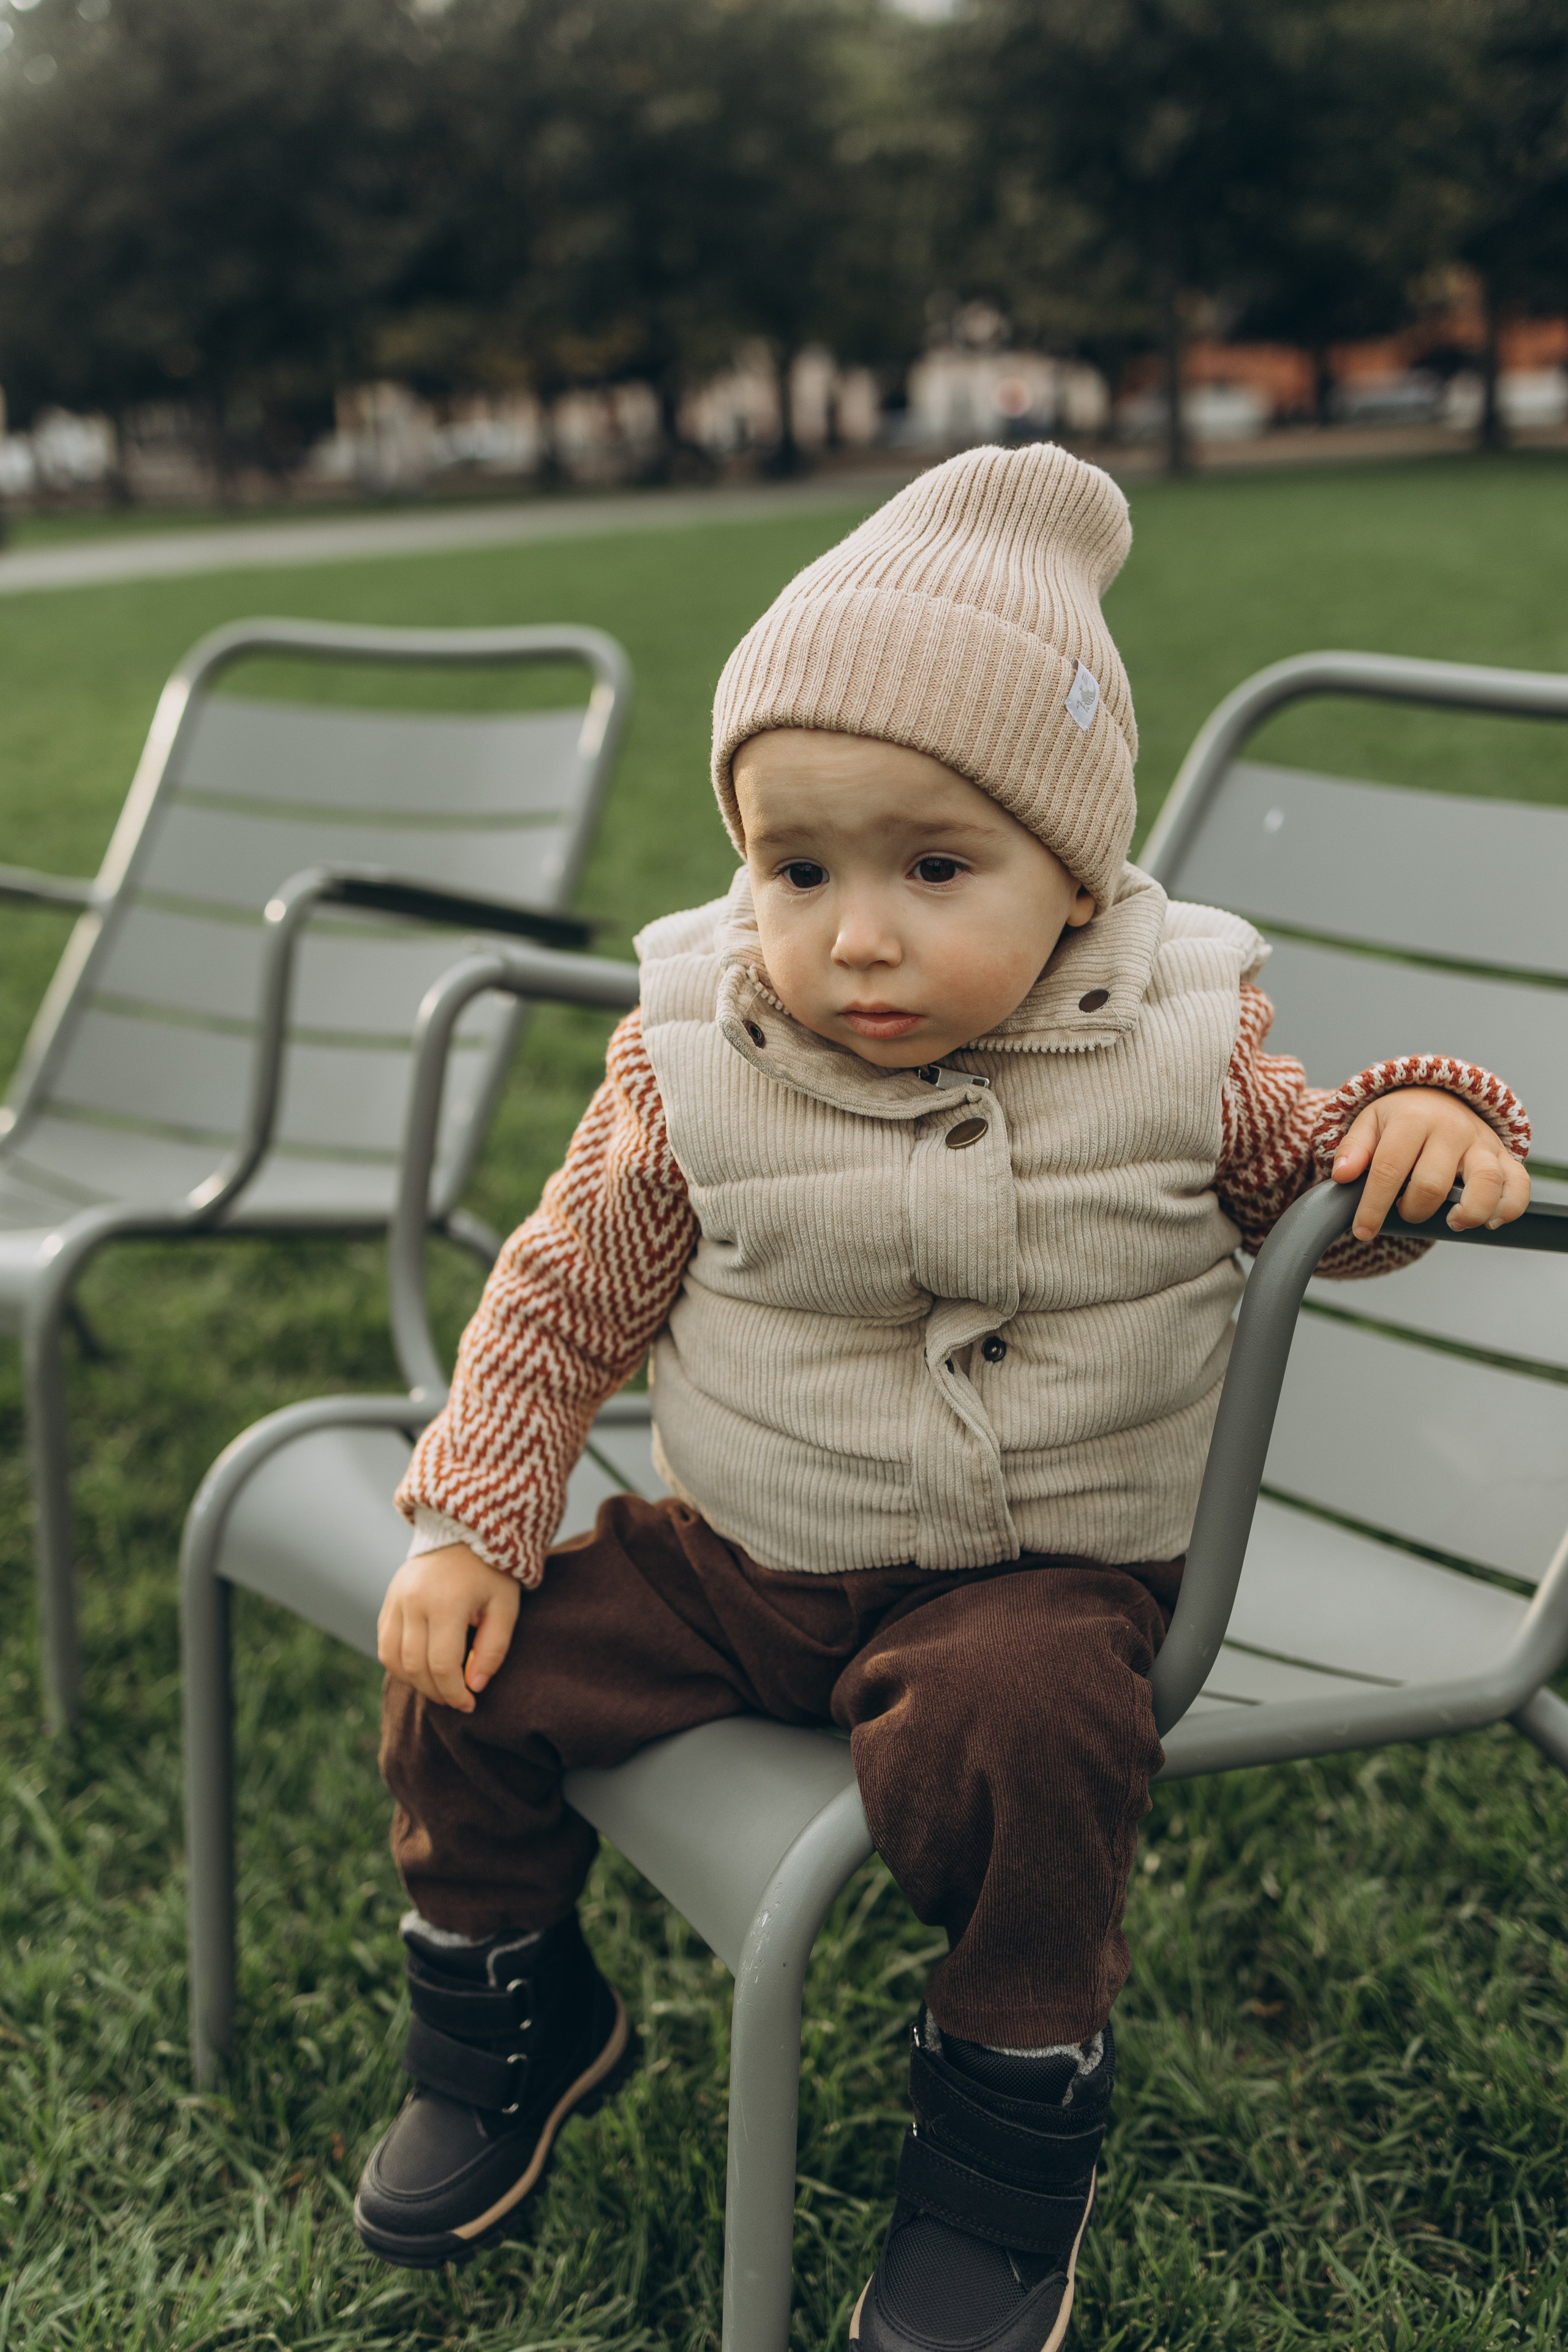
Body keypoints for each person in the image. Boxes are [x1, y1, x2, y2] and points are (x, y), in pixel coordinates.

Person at [352, 443, 1530, 2350]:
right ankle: (509, 2003)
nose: (857, 936)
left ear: (1076, 874)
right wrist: (475, 1518)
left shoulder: (1178, 1042)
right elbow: (564, 1297)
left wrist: (1419, 1121)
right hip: (741, 1562)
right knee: (467, 1672)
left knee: (1030, 1725)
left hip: (1038, 1578)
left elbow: (1315, 1191)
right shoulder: (696, 1051)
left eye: (934, 868)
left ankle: (1005, 2117)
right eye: (796, 870)